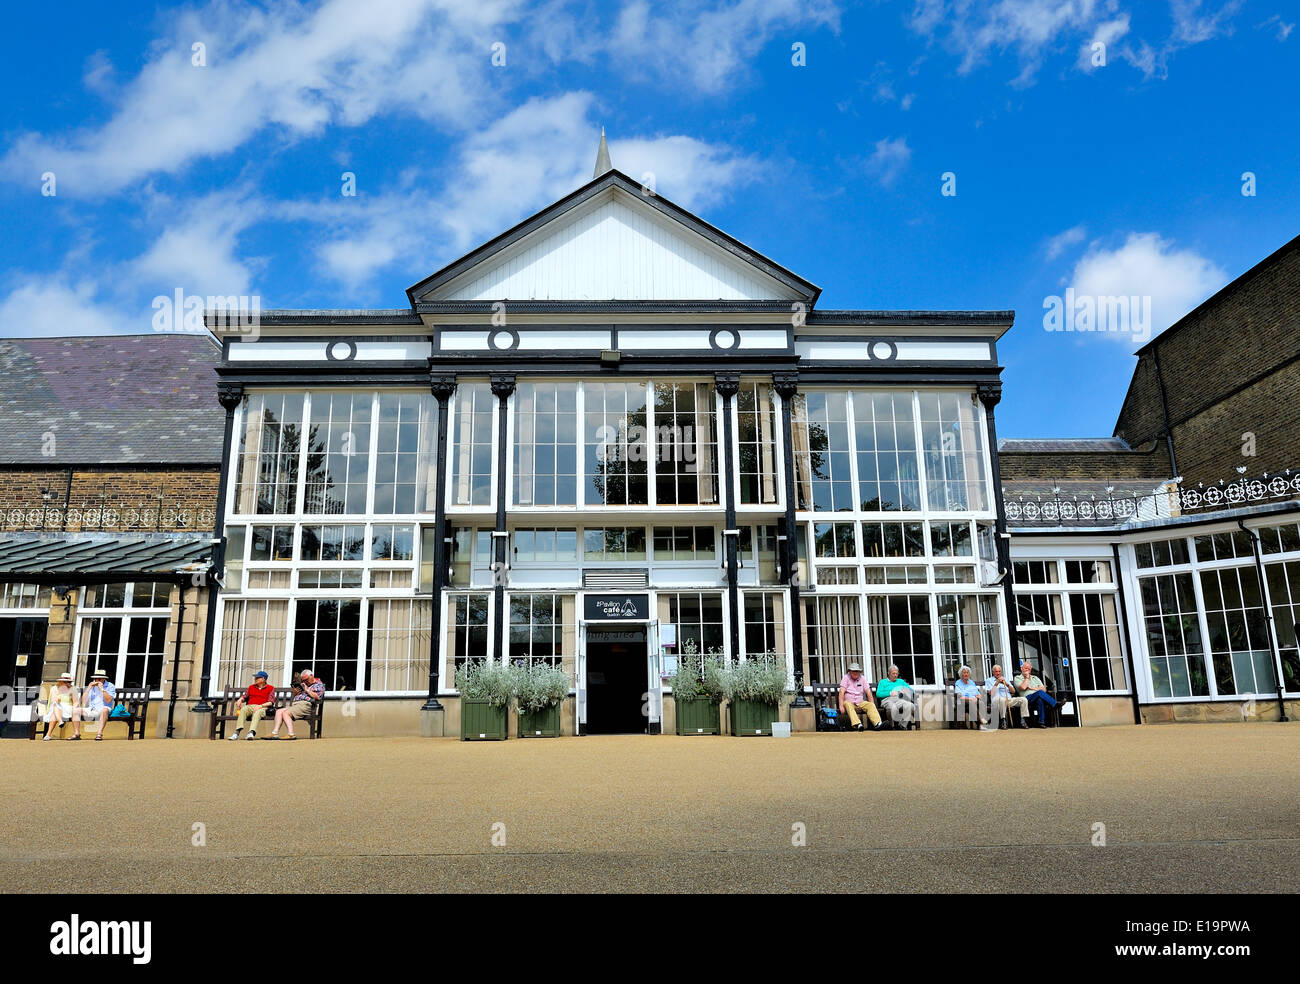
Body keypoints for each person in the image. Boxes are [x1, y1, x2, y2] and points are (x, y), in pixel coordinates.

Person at [270, 669, 324, 739]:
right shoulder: (304, 684)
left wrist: (307, 690)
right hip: (296, 705)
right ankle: (275, 733)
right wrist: (296, 692)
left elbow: (318, 697)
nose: (305, 682)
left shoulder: (318, 685)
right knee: (279, 711)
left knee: (286, 713)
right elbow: (297, 695)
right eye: (303, 680)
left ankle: (291, 734)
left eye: (306, 679)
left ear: (311, 676)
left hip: (306, 705)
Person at [228, 670, 275, 740]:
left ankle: (251, 732)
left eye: (257, 678)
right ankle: (236, 733)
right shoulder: (251, 687)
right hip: (250, 706)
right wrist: (240, 700)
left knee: (257, 712)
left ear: (263, 679)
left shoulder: (271, 688)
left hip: (262, 707)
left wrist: (261, 706)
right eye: (255, 678)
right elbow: (245, 696)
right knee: (243, 709)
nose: (255, 679)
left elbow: (271, 702)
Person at [838, 662, 882, 731]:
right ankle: (858, 724)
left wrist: (872, 705)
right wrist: (841, 706)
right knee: (847, 703)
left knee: (870, 705)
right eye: (853, 671)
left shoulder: (862, 678)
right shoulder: (846, 678)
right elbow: (841, 692)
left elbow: (868, 692)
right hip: (850, 703)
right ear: (849, 671)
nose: (855, 673)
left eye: (857, 671)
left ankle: (877, 724)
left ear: (859, 672)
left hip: (860, 702)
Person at [75, 668, 116, 741]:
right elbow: (83, 701)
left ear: (103, 679)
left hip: (104, 709)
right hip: (92, 709)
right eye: (95, 678)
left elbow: (108, 700)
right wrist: (88, 688)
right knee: (76, 710)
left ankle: (99, 734)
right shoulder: (92, 686)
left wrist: (102, 689)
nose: (97, 680)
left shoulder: (110, 686)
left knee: (104, 710)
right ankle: (77, 734)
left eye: (99, 679)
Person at [985, 664, 1030, 729]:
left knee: (1023, 699)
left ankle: (1023, 720)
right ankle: (1003, 721)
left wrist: (1007, 684)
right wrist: (996, 683)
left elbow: (1013, 691)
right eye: (996, 671)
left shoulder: (1005, 679)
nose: (998, 673)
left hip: (1008, 700)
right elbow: (991, 693)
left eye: (999, 671)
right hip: (996, 701)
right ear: (993, 672)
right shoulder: (989, 680)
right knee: (1002, 700)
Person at [1015, 661, 1058, 727]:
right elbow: (1023, 687)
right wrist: (1026, 678)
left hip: (1037, 696)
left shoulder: (1035, 678)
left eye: (1029, 669)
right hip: (1026, 698)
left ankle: (1041, 722)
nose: (1027, 670)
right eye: (1026, 668)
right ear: (1022, 668)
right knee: (1040, 693)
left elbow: (1044, 689)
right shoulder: (1017, 678)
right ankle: (1055, 705)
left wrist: (1032, 688)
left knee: (1040, 699)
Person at [42, 673, 77, 740]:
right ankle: (60, 721)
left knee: (55, 711)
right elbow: (53, 700)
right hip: (56, 708)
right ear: (61, 682)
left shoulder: (73, 689)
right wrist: (57, 700)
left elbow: (75, 702)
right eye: (65, 682)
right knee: (55, 706)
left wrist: (74, 709)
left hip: (68, 709)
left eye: (69, 682)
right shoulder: (54, 688)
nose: (67, 683)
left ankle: (48, 734)